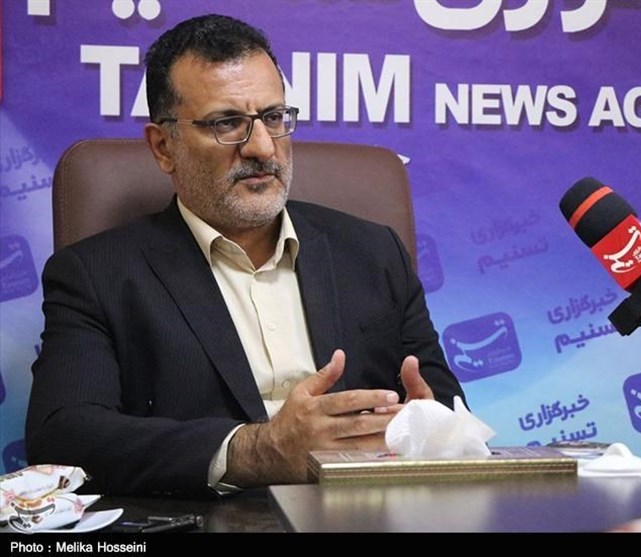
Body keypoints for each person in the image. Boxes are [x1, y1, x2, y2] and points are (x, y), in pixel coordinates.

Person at [25, 13, 465, 497]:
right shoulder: (96, 274)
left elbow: (445, 405)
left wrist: (427, 427)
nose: (261, 147)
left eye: (274, 118)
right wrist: (254, 451)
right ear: (163, 147)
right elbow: (62, 435)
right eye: (227, 123)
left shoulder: (374, 252)